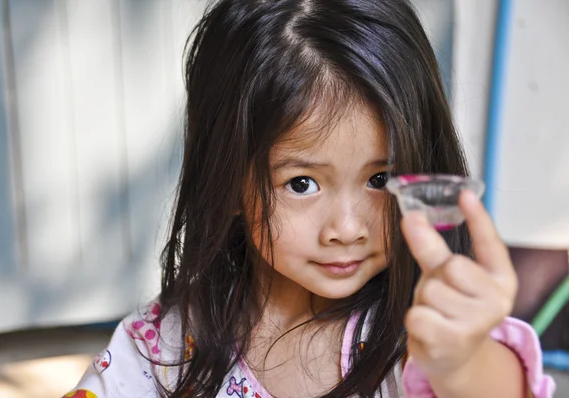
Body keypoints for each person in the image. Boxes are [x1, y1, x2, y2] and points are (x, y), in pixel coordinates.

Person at [63, 0, 556, 397]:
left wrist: (463, 361)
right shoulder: (163, 346)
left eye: (380, 179)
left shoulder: (423, 337)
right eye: (302, 183)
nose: (346, 227)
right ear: (228, 179)